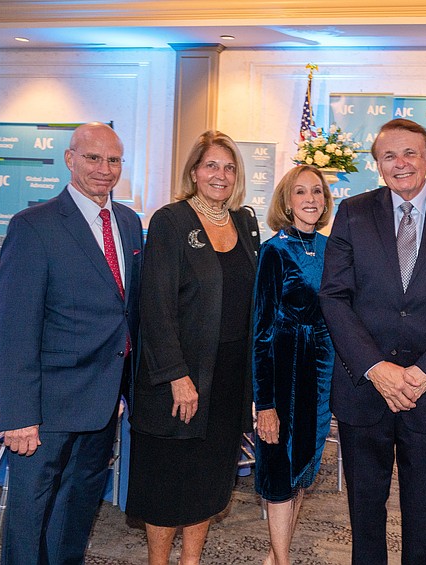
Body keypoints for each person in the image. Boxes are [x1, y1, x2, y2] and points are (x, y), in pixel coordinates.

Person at [319, 118, 426, 564]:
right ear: (377, 164)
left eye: (410, 153)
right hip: (364, 391)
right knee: (364, 513)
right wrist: (376, 368)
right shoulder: (352, 213)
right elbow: (334, 297)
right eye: (389, 156)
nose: (401, 164)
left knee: (424, 513)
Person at [0, 122, 142, 565]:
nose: (104, 169)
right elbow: (14, 329)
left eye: (113, 160)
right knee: (30, 519)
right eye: (93, 158)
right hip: (46, 409)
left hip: (103, 403)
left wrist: (125, 388)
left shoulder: (129, 223)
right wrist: (20, 415)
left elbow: (125, 311)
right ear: (70, 159)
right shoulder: (33, 226)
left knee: (77, 512)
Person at [126, 130, 260, 565]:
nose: (220, 175)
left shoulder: (245, 224)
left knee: (210, 478)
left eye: (229, 167)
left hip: (229, 377)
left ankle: (192, 560)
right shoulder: (171, 221)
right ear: (194, 172)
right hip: (180, 376)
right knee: (167, 480)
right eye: (211, 166)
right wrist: (177, 376)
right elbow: (156, 306)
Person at [252, 164, 335, 565]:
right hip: (284, 370)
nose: (310, 199)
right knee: (279, 466)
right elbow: (260, 332)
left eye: (316, 191)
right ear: (286, 201)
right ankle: (283, 561)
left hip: (320, 370)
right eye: (300, 192)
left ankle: (275, 556)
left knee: (304, 465)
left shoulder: (332, 248)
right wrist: (264, 403)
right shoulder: (274, 250)